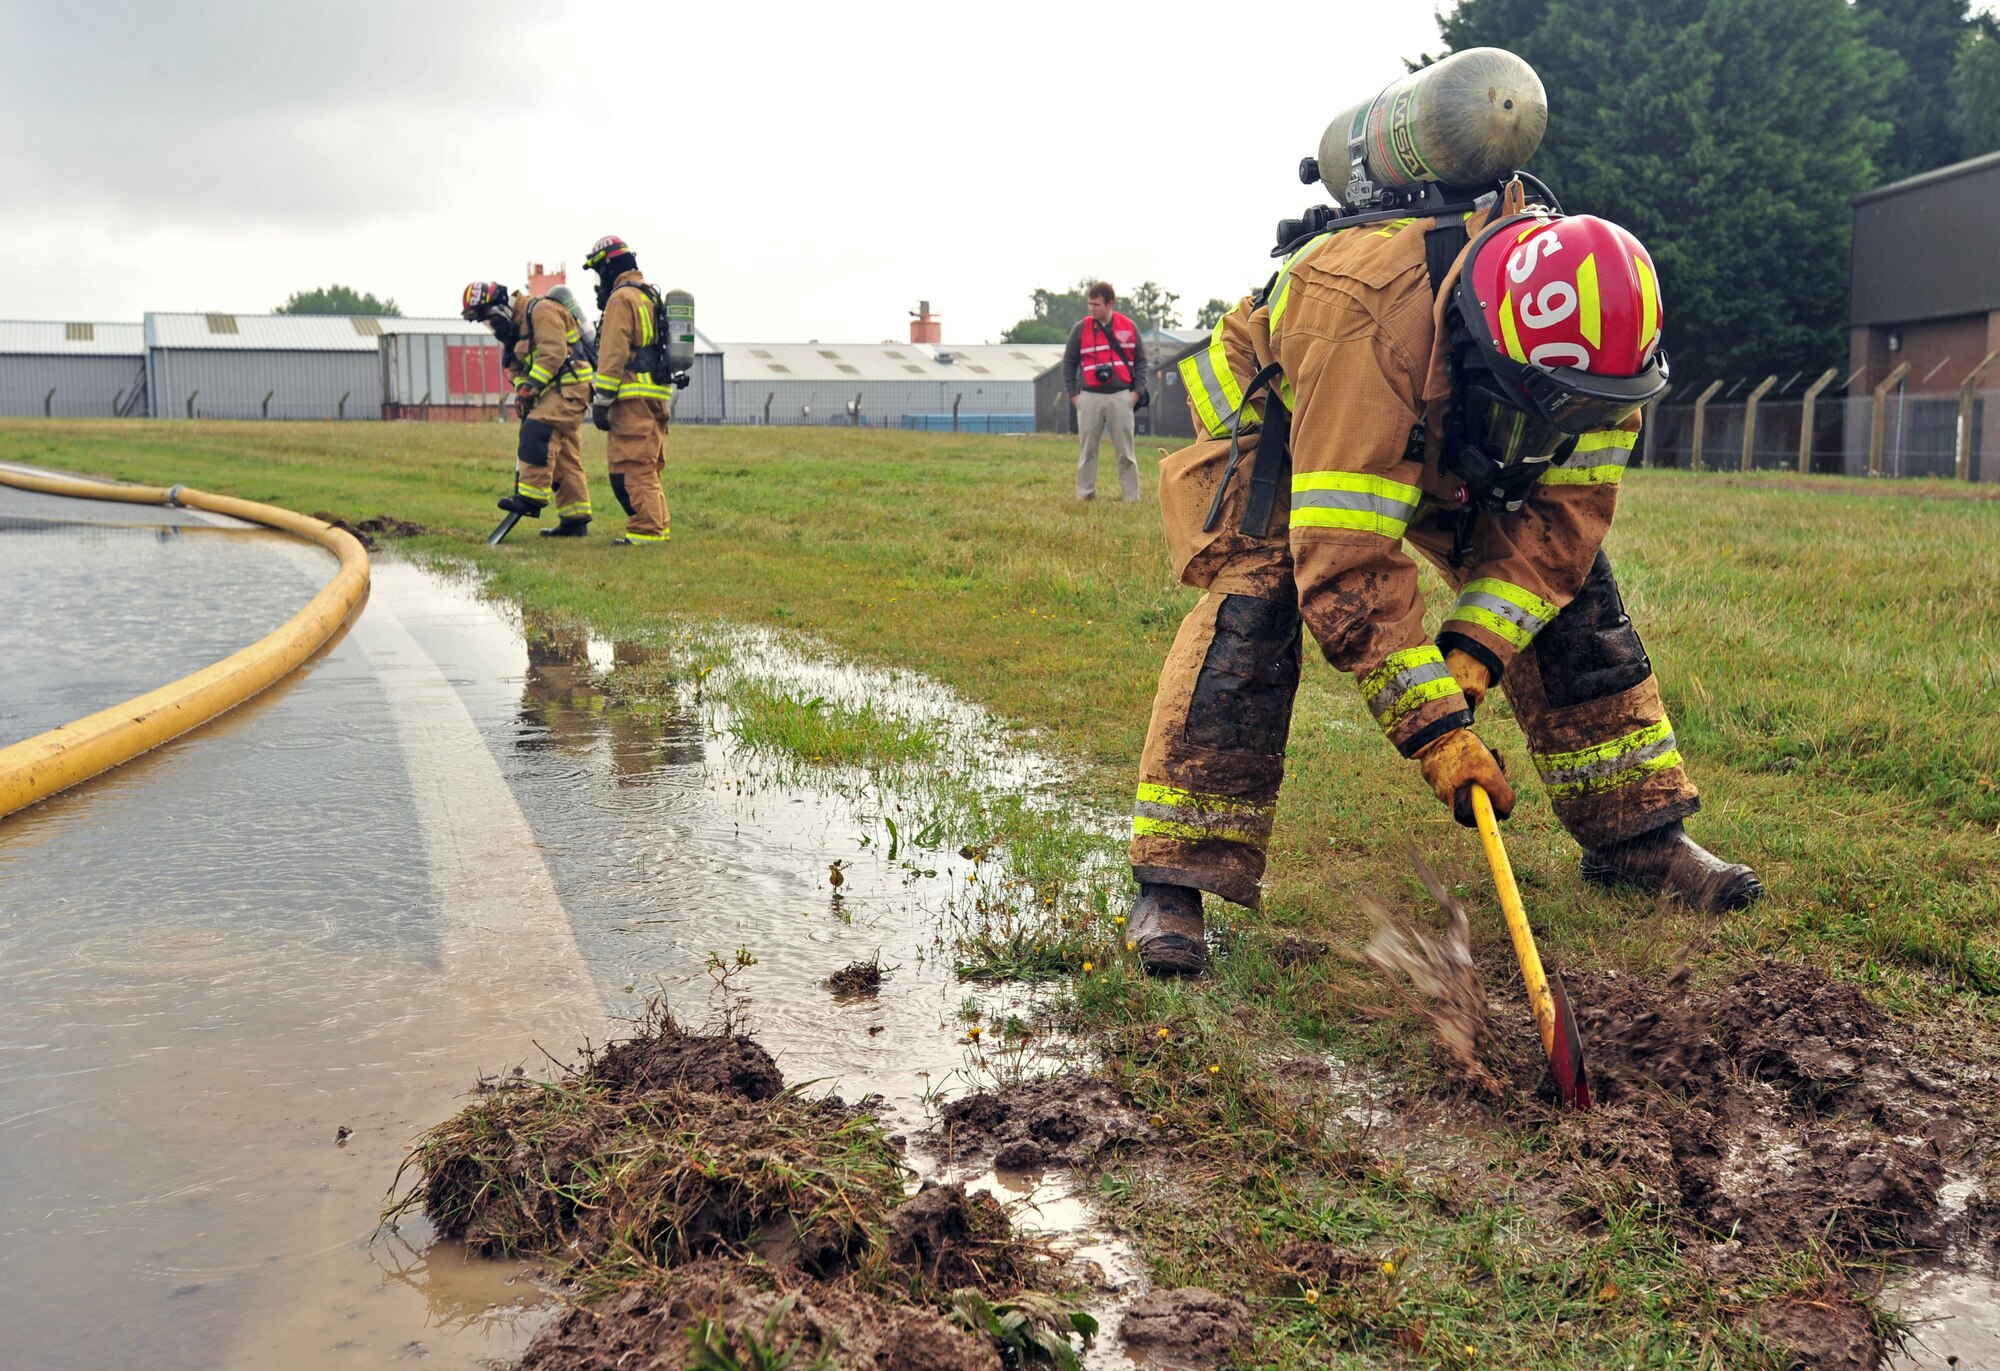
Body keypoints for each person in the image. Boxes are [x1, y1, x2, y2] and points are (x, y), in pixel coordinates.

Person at [1125, 180, 1761, 976]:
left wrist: (1474, 651)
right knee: (1255, 608)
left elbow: (1554, 535)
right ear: (1484, 345)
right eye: (1558, 411)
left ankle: (1636, 837)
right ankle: (1174, 880)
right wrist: (1438, 733)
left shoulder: (1601, 362)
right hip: (1297, 410)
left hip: (1447, 415)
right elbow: (1348, 571)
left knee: (1575, 599)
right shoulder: (1369, 325)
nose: (1579, 428)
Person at [462, 282, 596, 536]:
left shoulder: (541, 311)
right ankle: (575, 520)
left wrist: (529, 390)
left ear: (501, 306)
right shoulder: (515, 329)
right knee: (564, 458)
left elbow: (553, 355)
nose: (492, 326)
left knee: (537, 431)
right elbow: (516, 369)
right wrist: (524, 391)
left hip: (571, 387)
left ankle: (530, 498)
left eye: (490, 318)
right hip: (551, 392)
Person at [583, 235, 672, 546]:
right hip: (654, 395)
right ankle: (658, 528)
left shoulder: (621, 299)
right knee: (647, 466)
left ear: (609, 268)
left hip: (632, 395)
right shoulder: (647, 295)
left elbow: (613, 353)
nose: (598, 283)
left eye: (598, 273)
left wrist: (601, 400)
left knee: (632, 466)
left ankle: (646, 532)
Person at [1062, 283, 1147, 502]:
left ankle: (1131, 497)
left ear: (1110, 303)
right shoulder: (1081, 329)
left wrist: (1136, 393)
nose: (1091, 309)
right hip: (1089, 396)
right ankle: (1085, 494)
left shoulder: (1129, 327)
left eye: (1096, 304)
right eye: (1089, 304)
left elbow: (1141, 362)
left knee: (1126, 452)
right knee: (1087, 451)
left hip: (1121, 395)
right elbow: (1069, 363)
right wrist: (1074, 396)